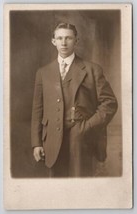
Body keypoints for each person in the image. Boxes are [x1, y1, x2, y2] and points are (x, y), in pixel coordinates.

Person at [31, 22, 118, 177]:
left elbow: (110, 103)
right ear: (53, 41)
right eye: (59, 38)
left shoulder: (92, 69)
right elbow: (38, 109)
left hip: (81, 141)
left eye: (68, 38)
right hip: (51, 140)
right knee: (57, 188)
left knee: (80, 186)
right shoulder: (43, 72)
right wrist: (36, 143)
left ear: (76, 41)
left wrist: (87, 126)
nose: (63, 42)